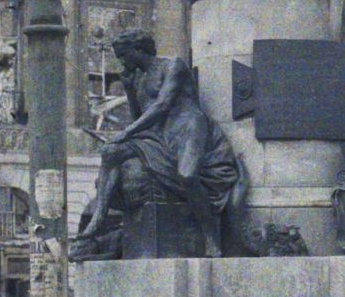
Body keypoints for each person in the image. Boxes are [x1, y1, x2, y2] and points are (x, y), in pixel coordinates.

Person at [73, 29, 239, 257]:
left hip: (187, 127)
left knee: (188, 175)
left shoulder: (173, 66)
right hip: (158, 133)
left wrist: (127, 133)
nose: (121, 61)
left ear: (138, 50)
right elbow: (139, 114)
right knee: (110, 152)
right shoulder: (138, 78)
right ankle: (97, 219)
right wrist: (129, 88)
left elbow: (163, 105)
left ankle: (211, 234)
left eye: (124, 55)